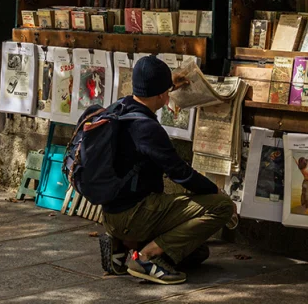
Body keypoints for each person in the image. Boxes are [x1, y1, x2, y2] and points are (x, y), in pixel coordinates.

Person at [97, 55, 237, 285]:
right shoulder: (147, 128)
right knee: (220, 208)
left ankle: (121, 246)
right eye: (167, 91)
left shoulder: (120, 107)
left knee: (197, 252)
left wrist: (168, 83)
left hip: (111, 214)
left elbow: (151, 89)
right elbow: (181, 174)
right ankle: (146, 256)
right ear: (162, 95)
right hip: (135, 214)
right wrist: (216, 192)